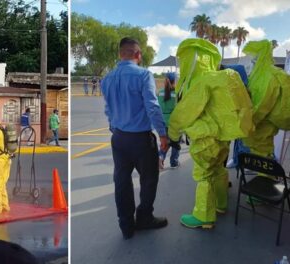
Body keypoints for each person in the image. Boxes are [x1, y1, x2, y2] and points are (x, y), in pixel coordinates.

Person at [168, 38, 253, 228]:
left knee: (204, 175)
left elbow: (184, 113)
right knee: (218, 170)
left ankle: (204, 216)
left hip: (205, 138)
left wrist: (173, 135)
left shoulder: (200, 82)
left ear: (192, 58)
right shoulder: (220, 78)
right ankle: (221, 205)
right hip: (223, 138)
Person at [101, 37, 169, 240]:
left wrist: (115, 127)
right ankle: (144, 217)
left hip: (119, 138)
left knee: (121, 181)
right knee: (149, 179)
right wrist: (163, 134)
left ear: (120, 54)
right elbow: (152, 106)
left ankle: (126, 225)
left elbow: (108, 109)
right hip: (140, 139)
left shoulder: (108, 78)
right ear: (138, 54)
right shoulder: (143, 75)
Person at [241, 40, 290, 160]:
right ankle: (264, 174)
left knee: (263, 154)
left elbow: (264, 103)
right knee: (261, 154)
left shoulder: (268, 74)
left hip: (263, 123)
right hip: (260, 122)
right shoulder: (259, 73)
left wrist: (249, 122)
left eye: (253, 54)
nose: (251, 58)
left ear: (261, 54)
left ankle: (266, 176)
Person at [157, 72, 180, 169]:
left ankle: (160, 157)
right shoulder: (177, 93)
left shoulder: (160, 92)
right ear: (174, 81)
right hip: (174, 122)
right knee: (175, 143)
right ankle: (174, 162)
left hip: (163, 121)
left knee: (165, 142)